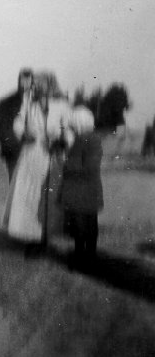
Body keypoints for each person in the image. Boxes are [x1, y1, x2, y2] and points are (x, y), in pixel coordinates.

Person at [1, 72, 74, 255]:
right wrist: (23, 133)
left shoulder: (62, 105)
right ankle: (31, 236)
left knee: (49, 196)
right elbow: (18, 123)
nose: (36, 87)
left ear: (50, 85)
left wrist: (61, 141)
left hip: (52, 154)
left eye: (40, 84)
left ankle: (45, 237)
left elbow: (69, 129)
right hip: (31, 153)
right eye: (35, 84)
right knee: (30, 195)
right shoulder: (29, 104)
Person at [59, 106, 103, 266]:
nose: (70, 127)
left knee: (87, 226)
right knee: (79, 226)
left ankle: (88, 257)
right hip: (80, 190)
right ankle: (81, 255)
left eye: (72, 124)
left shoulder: (91, 140)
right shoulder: (80, 139)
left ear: (79, 123)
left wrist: (67, 166)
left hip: (86, 190)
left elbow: (91, 167)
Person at [0, 68, 34, 180]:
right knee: (16, 182)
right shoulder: (7, 102)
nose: (25, 83)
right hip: (15, 150)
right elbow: (0, 127)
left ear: (32, 82)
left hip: (36, 150)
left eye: (28, 80)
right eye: (23, 80)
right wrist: (14, 143)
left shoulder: (38, 101)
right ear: (18, 81)